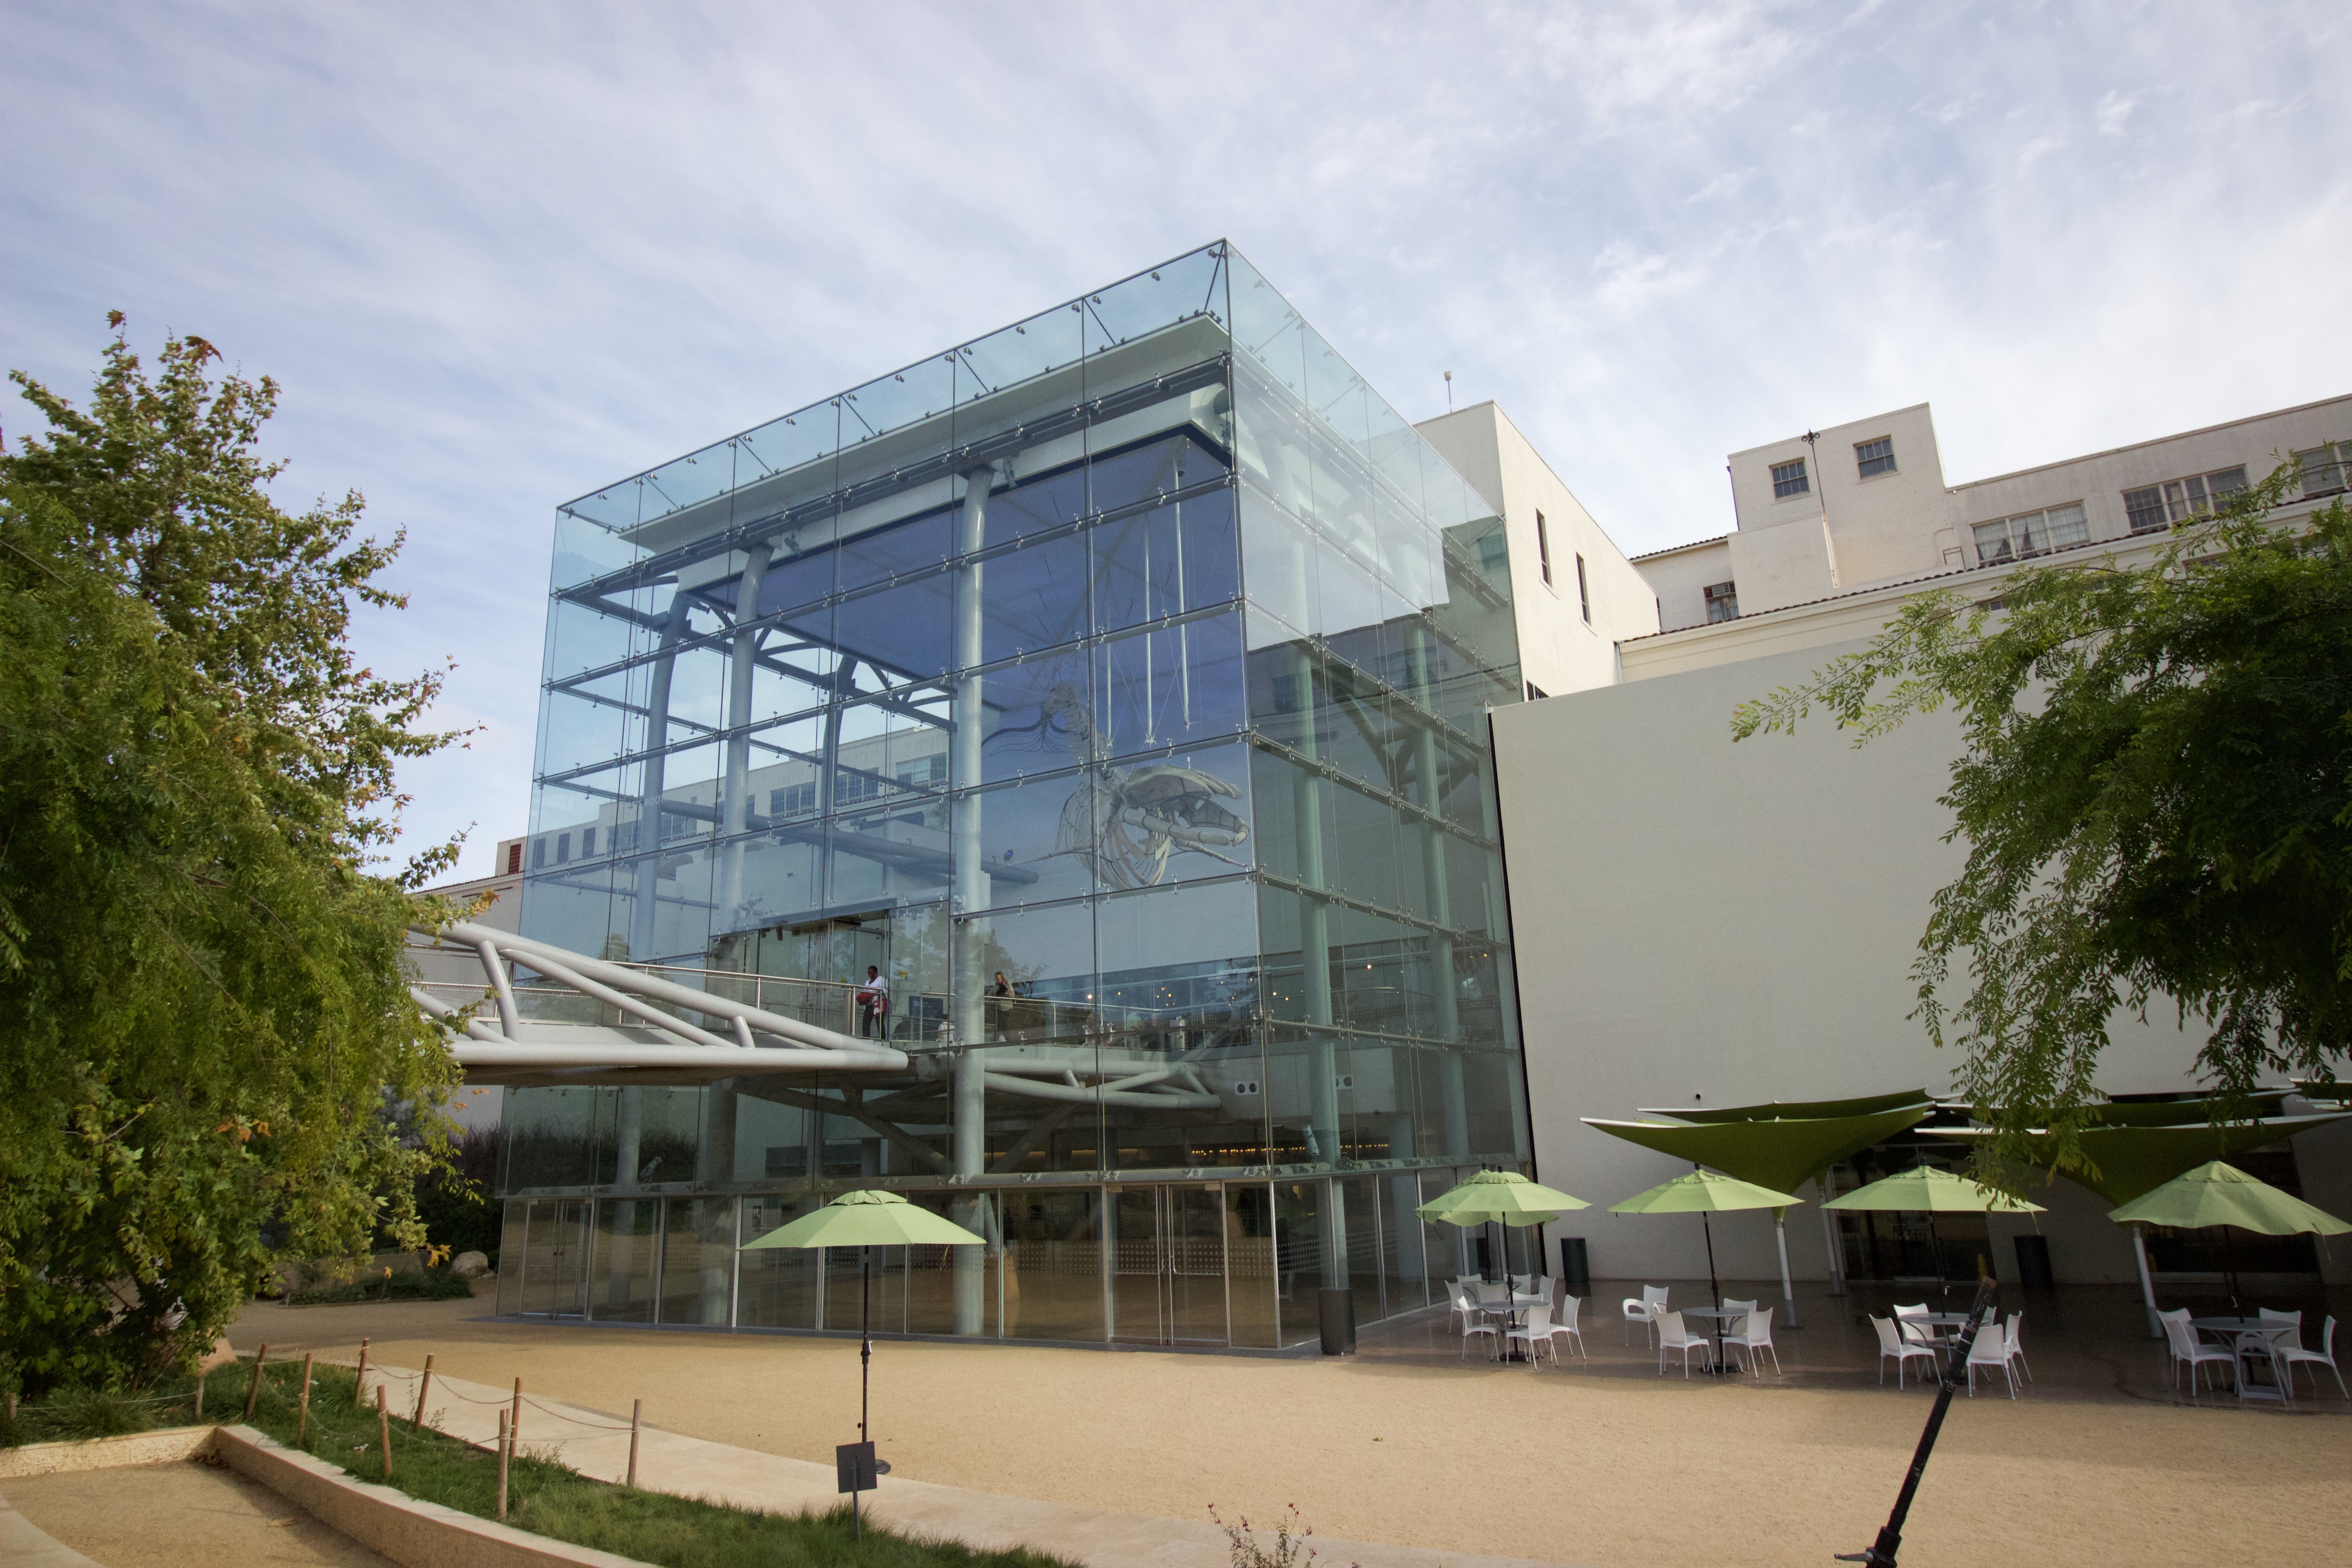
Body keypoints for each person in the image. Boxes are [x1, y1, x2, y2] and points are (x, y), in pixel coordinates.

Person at [857, 964, 890, 1038]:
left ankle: (883, 1038)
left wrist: (876, 993)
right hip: (869, 1005)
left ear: (876, 973)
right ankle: (866, 1037)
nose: (870, 975)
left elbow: (885, 990)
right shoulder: (867, 982)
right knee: (866, 1021)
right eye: (869, 974)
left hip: (878, 1004)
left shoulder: (881, 980)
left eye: (871, 973)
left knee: (879, 1021)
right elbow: (865, 992)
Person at [987, 970, 1014, 1041]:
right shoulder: (996, 986)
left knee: (1003, 1024)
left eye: (998, 979)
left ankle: (1007, 1040)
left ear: (1002, 978)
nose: (997, 981)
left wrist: (1006, 994)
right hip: (998, 1008)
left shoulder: (1008, 985)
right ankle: (997, 1039)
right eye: (996, 979)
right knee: (999, 1025)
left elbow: (1013, 995)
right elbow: (990, 994)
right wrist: (989, 999)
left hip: (1006, 1008)